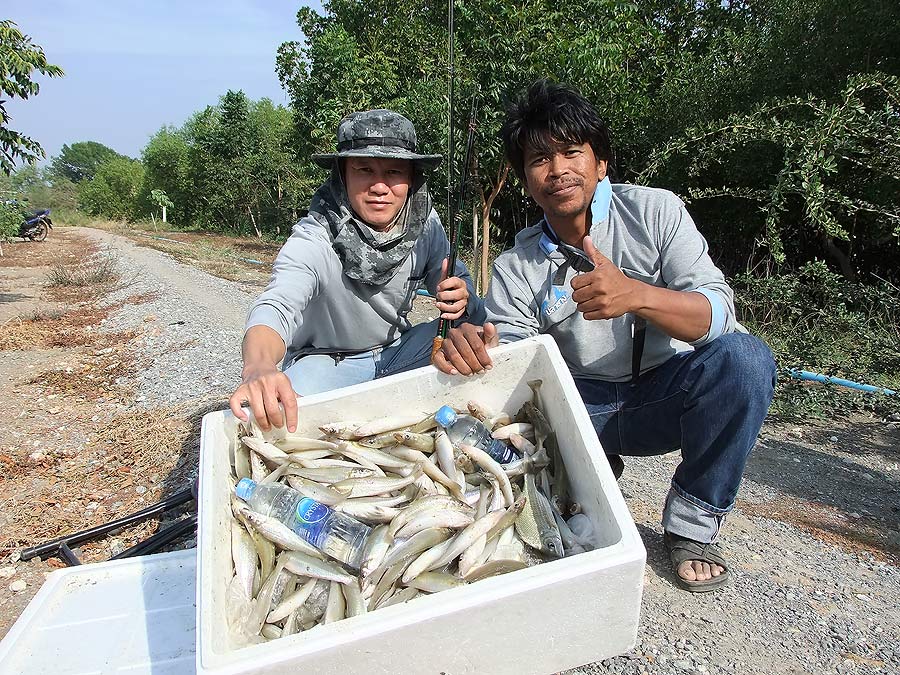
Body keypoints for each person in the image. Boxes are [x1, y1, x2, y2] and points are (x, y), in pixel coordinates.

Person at [434, 80, 776, 592]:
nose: (558, 171)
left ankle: (691, 525)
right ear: (525, 179)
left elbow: (717, 313)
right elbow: (515, 364)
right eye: (539, 159)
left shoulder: (657, 212)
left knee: (745, 359)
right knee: (521, 435)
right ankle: (593, 470)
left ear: (602, 163)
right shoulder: (514, 264)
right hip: (581, 408)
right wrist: (476, 350)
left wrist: (637, 295)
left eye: (573, 152)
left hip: (666, 393)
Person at [230, 109, 484, 433]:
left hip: (398, 351)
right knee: (277, 416)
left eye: (394, 171)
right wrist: (259, 366)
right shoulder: (315, 237)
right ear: (342, 174)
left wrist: (459, 295)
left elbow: (458, 285)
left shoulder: (425, 225)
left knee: (480, 332)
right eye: (364, 169)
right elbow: (276, 306)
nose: (380, 186)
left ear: (412, 179)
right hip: (328, 364)